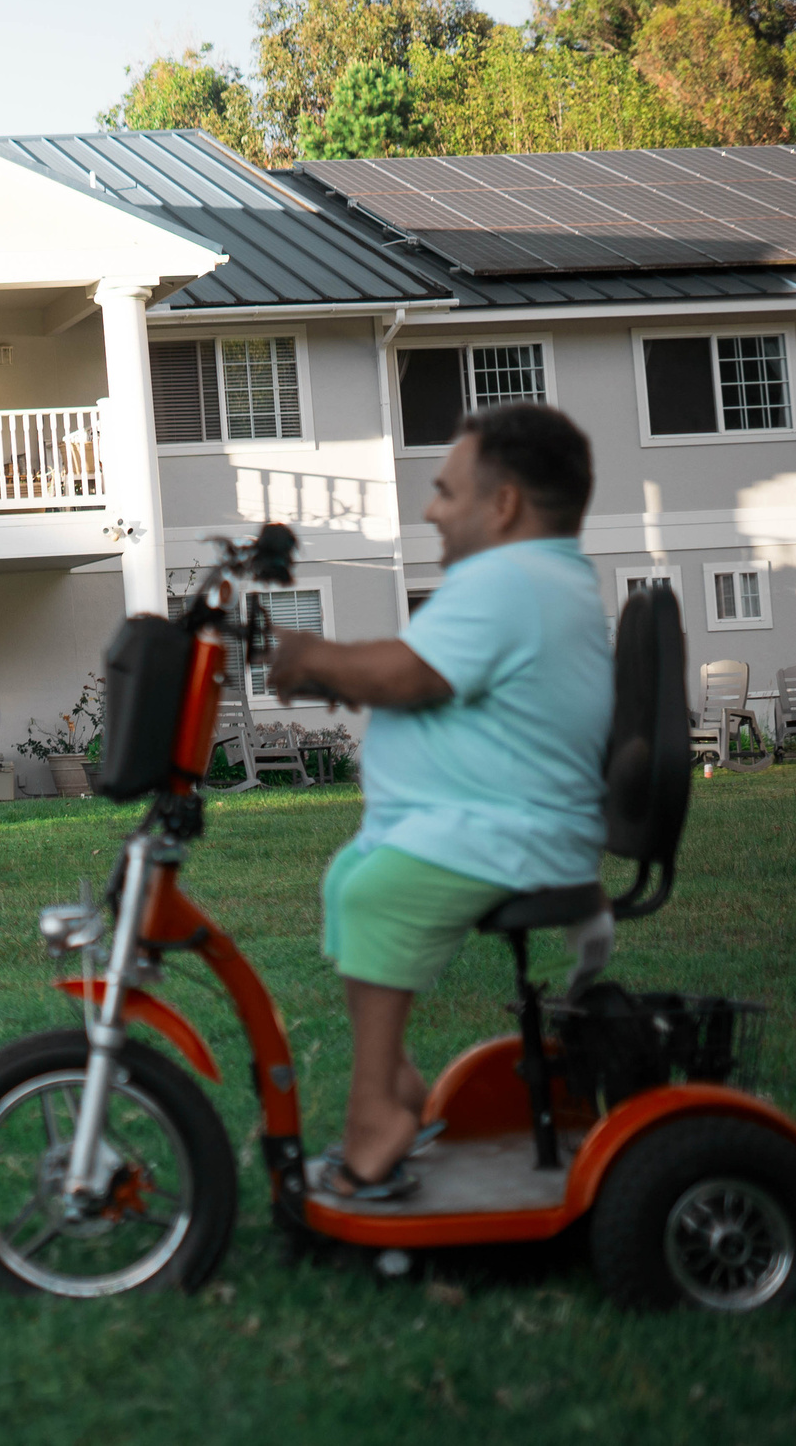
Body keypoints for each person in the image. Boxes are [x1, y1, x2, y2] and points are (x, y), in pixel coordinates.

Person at [266, 402, 612, 1201]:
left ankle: (373, 1120)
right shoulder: (537, 578)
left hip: (512, 833)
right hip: (487, 821)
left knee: (381, 891)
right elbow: (438, 682)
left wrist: (316, 652)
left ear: (504, 504)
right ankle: (392, 1082)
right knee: (356, 878)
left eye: (445, 491)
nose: (429, 508)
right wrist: (331, 672)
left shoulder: (510, 578)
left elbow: (409, 674)